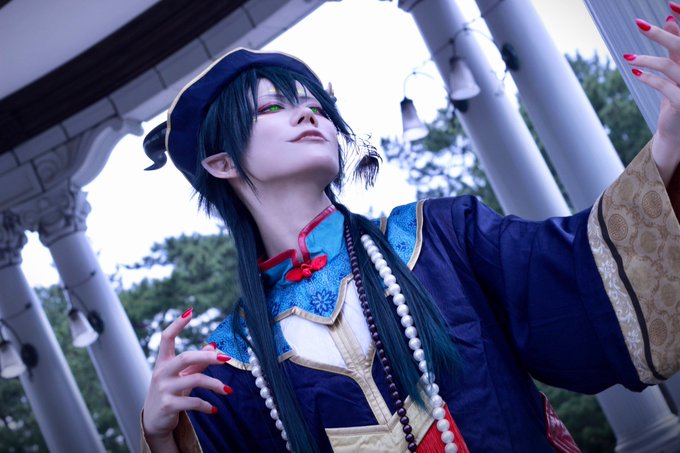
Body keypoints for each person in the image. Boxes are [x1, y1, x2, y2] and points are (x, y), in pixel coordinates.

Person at [140, 11, 680, 453]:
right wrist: (162, 436)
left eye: (316, 106)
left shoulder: (438, 235)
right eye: (274, 107)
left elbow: (583, 273)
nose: (308, 116)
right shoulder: (234, 362)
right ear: (220, 163)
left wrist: (669, 151)